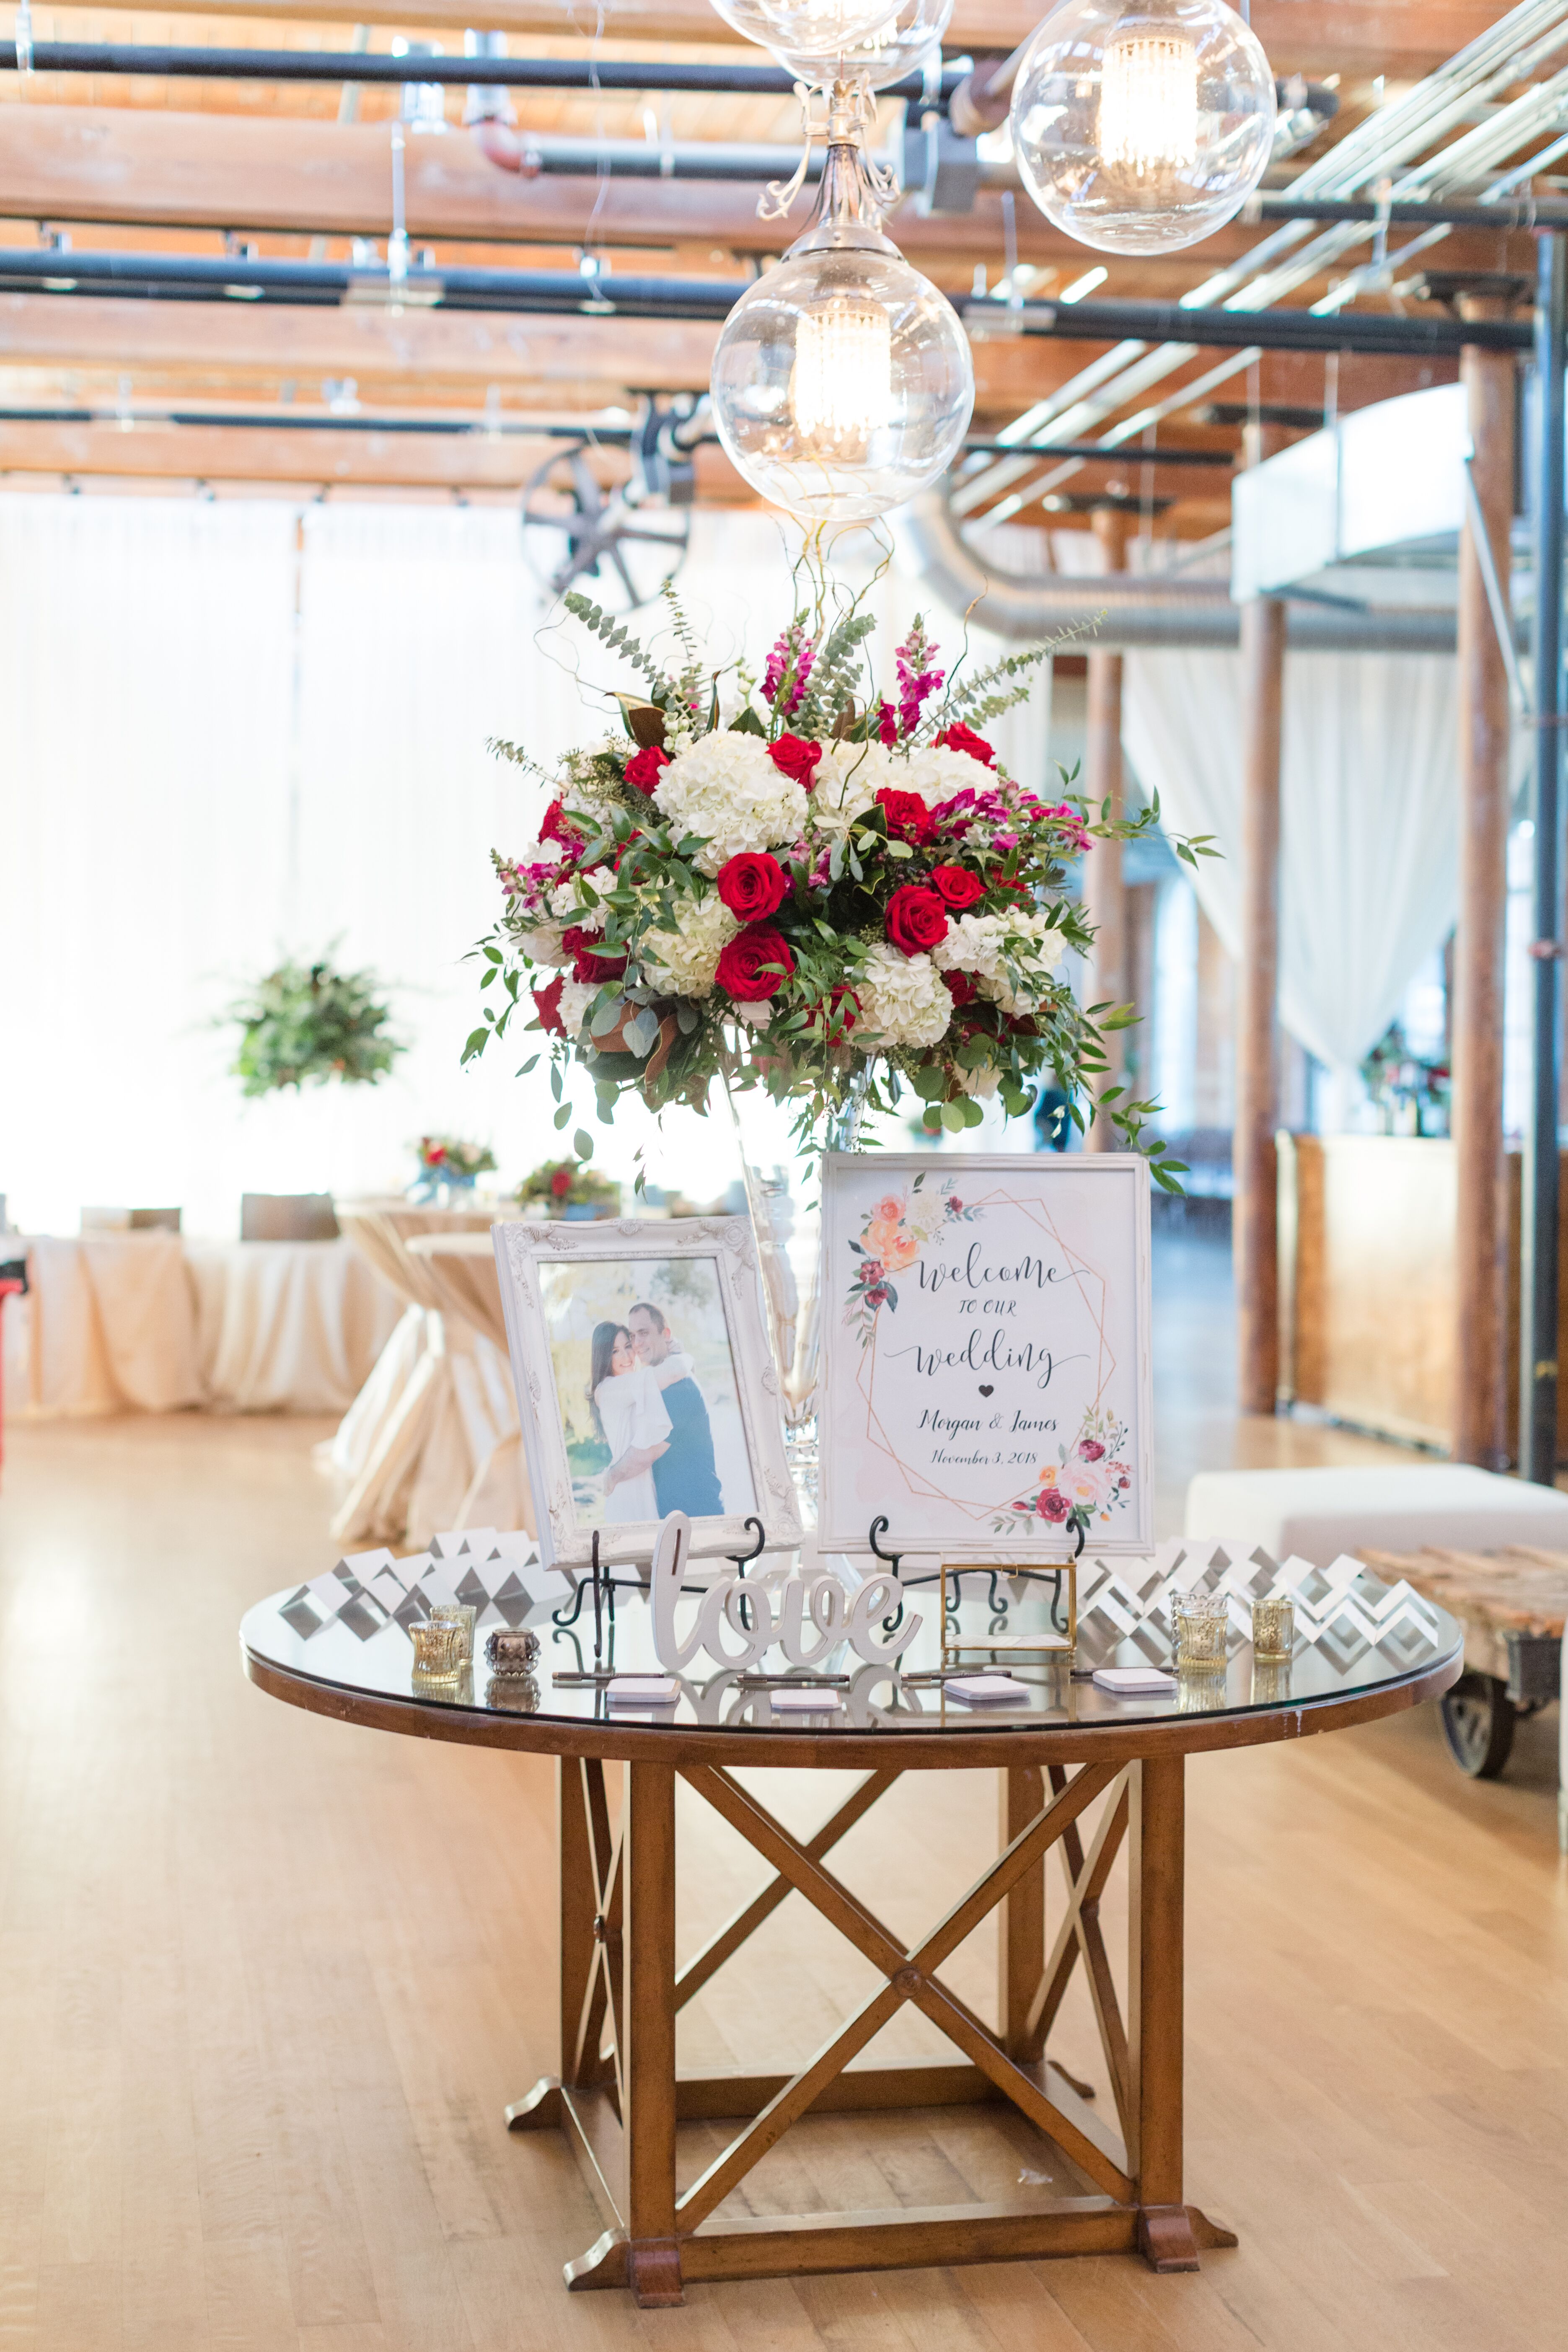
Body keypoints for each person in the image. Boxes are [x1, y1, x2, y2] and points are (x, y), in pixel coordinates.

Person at [628, 1299, 725, 1517]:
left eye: (644, 1333)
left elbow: (644, 1456)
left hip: (699, 1519)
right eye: (633, 1336)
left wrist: (610, 1477)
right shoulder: (662, 1383)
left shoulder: (680, 1389)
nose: (637, 1343)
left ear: (666, 1334)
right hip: (678, 1521)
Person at [587, 1322, 671, 1524]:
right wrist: (684, 1358)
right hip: (628, 1493)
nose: (626, 1356)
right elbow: (672, 1372)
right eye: (616, 1351)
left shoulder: (634, 1388)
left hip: (640, 1483)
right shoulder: (608, 1390)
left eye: (628, 1346)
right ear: (604, 1357)